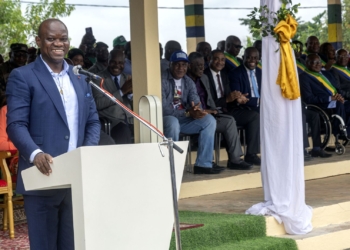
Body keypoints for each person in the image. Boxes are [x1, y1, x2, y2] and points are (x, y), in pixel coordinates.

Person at [6, 18, 101, 250]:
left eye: (63, 38)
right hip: (43, 176)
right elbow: (16, 124)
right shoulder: (23, 76)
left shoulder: (80, 79)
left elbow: (92, 122)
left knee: (73, 245)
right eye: (51, 38)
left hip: (75, 179)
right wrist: (35, 153)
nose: (58, 43)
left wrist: (85, 152)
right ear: (39, 41)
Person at [187, 52, 252, 170]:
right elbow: (188, 104)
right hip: (193, 117)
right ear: (189, 66)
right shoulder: (186, 81)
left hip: (211, 114)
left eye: (202, 65)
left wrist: (237, 98)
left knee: (229, 121)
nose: (202, 68)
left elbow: (211, 101)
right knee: (219, 120)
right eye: (198, 65)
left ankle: (235, 160)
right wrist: (206, 110)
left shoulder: (204, 78)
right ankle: (207, 162)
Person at [161, 50, 220, 174]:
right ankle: (172, 166)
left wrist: (197, 110)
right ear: (170, 64)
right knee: (172, 122)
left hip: (183, 119)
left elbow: (195, 101)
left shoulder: (188, 81)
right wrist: (187, 112)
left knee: (209, 120)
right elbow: (164, 109)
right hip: (165, 120)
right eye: (177, 64)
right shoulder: (162, 79)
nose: (180, 68)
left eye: (184, 65)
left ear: (187, 66)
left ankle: (203, 165)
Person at [208, 49, 261, 165]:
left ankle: (251, 154)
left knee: (254, 116)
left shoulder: (225, 74)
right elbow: (209, 102)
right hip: (213, 112)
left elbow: (231, 95)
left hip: (229, 109)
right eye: (216, 59)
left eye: (223, 60)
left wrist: (239, 99)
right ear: (209, 59)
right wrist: (228, 99)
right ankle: (234, 160)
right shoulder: (205, 75)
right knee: (230, 121)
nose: (220, 62)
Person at [299, 53, 350, 137]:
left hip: (336, 99)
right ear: (307, 63)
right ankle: (339, 133)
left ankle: (347, 131)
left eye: (319, 62)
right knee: (339, 104)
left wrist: (339, 96)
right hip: (323, 104)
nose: (318, 64)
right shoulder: (304, 78)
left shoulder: (326, 74)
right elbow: (309, 98)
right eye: (314, 62)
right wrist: (330, 98)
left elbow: (337, 89)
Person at [92, 49, 133, 144]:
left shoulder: (127, 78)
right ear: (107, 61)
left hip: (130, 120)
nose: (117, 66)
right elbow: (98, 103)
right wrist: (121, 92)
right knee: (124, 131)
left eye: (120, 63)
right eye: (113, 62)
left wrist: (131, 94)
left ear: (124, 64)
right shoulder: (97, 79)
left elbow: (136, 102)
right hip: (111, 121)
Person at [229, 47, 261, 113]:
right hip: (246, 108)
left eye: (255, 58)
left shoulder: (261, 73)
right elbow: (239, 97)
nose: (252, 60)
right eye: (249, 57)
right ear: (243, 58)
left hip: (263, 105)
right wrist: (259, 101)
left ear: (258, 59)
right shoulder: (235, 73)